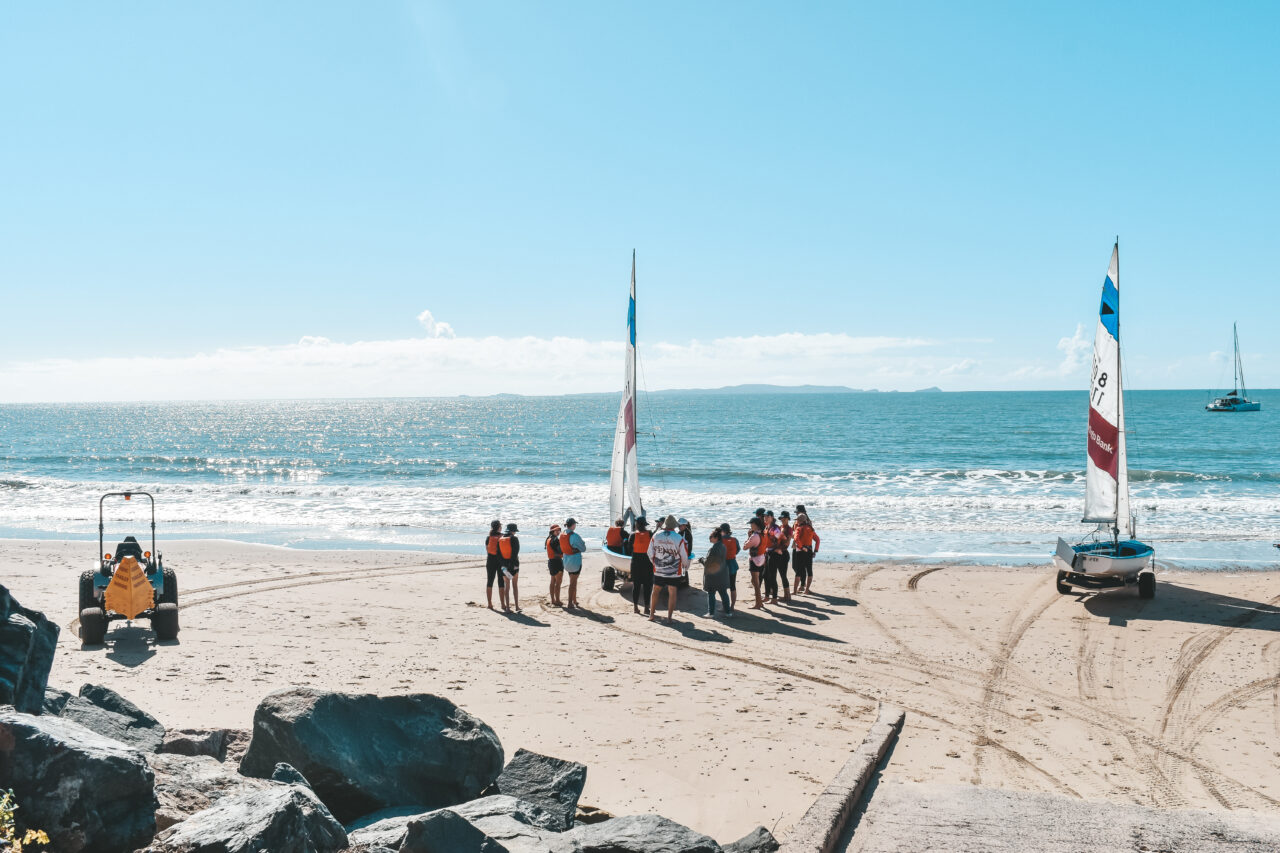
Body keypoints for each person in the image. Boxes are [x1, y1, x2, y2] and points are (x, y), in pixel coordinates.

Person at [647, 514, 689, 623]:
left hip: (659, 570)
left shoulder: (656, 535)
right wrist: (685, 565)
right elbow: (684, 555)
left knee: (655, 591)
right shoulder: (678, 538)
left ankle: (651, 615)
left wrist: (654, 563)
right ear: (674, 526)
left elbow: (649, 552)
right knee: (672, 592)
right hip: (674, 572)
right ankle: (669, 618)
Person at [701, 527, 732, 617]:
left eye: (711, 537)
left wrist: (702, 560)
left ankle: (711, 613)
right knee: (723, 593)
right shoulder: (723, 546)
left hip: (713, 574)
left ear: (716, 538)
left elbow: (707, 562)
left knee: (711, 593)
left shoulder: (714, 548)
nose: (709, 538)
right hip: (722, 572)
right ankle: (728, 612)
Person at [559, 518, 587, 610]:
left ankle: (574, 600)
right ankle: (570, 603)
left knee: (573, 580)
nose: (575, 525)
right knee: (573, 583)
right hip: (575, 562)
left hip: (566, 562)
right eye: (575, 524)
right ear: (573, 525)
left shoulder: (562, 534)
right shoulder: (574, 536)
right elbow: (583, 548)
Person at [628, 517, 654, 615]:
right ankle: (646, 608)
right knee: (647, 586)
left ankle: (635, 607)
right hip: (647, 564)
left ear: (637, 524)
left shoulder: (633, 535)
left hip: (636, 564)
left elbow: (629, 549)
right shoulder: (650, 534)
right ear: (645, 524)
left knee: (636, 586)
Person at [792, 512, 820, 594]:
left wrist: (801, 547)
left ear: (799, 521)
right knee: (809, 570)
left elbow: (796, 538)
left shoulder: (799, 528)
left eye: (797, 520)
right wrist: (815, 551)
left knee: (799, 571)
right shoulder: (810, 528)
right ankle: (807, 590)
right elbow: (817, 540)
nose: (796, 522)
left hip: (801, 552)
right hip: (809, 551)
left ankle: (794, 591)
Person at [745, 517, 766, 609]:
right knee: (755, 581)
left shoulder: (754, 536)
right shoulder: (764, 534)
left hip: (754, 560)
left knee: (756, 583)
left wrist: (749, 537)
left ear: (755, 525)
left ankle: (758, 603)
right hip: (762, 558)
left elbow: (745, 547)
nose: (750, 525)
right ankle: (759, 601)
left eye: (751, 524)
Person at [499, 523, 520, 611]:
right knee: (514, 585)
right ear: (513, 531)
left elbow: (499, 554)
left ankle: (507, 607)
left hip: (504, 566)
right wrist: (513, 565)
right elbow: (515, 553)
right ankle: (516, 606)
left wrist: (504, 564)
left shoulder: (500, 539)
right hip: (513, 566)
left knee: (507, 587)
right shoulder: (514, 539)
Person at [484, 520, 504, 610]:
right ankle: (503, 605)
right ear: (499, 527)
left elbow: (487, 550)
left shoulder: (488, 537)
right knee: (501, 582)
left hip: (490, 561)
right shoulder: (502, 537)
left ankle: (489, 604)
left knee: (490, 582)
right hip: (500, 562)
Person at [761, 510, 780, 604]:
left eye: (767, 516)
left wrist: (778, 548)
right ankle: (767, 596)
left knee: (772, 576)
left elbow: (782, 539)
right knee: (765, 575)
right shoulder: (767, 527)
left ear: (772, 517)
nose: (765, 517)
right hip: (767, 553)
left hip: (774, 554)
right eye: (764, 516)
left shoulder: (774, 528)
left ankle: (775, 598)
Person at [720, 523, 740, 608]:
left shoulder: (720, 540)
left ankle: (725, 606)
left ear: (722, 531)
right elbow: (738, 549)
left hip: (723, 565)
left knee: (722, 587)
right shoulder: (735, 539)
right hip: (732, 564)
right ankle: (732, 605)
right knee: (732, 586)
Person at [775, 510, 794, 603]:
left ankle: (788, 596)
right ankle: (786, 595)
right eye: (782, 518)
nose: (783, 519)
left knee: (783, 575)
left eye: (785, 518)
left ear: (788, 519)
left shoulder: (789, 528)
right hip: (779, 553)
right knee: (781, 575)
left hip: (784, 553)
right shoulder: (780, 527)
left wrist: (779, 546)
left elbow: (787, 542)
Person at [546, 523, 564, 606]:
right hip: (557, 562)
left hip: (551, 562)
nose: (559, 531)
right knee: (558, 582)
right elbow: (560, 551)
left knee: (553, 581)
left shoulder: (548, 539)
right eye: (557, 530)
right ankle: (557, 600)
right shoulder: (555, 540)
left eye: (559, 530)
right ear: (552, 531)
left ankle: (553, 600)